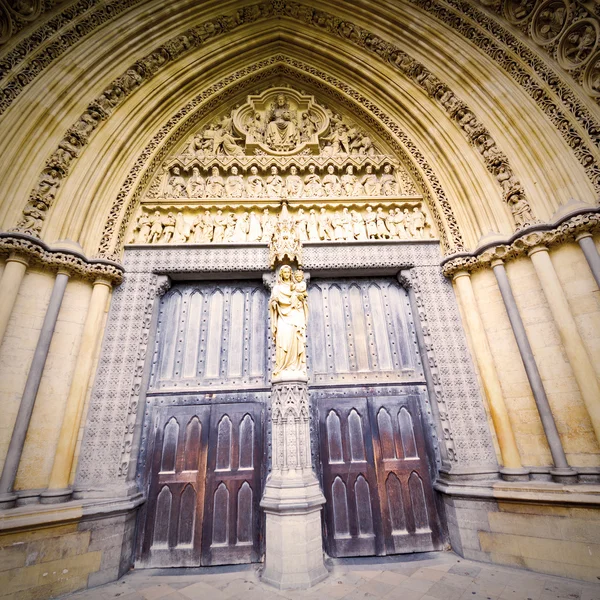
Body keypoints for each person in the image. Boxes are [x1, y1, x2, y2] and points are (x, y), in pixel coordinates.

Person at [269, 265, 308, 376]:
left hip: (295, 314)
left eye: (288, 272)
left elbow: (304, 298)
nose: (286, 274)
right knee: (283, 339)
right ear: (281, 274)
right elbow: (273, 301)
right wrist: (274, 303)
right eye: (284, 272)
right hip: (282, 316)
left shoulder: (295, 286)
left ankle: (297, 367)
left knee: (295, 339)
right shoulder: (277, 288)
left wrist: (302, 299)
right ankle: (282, 367)